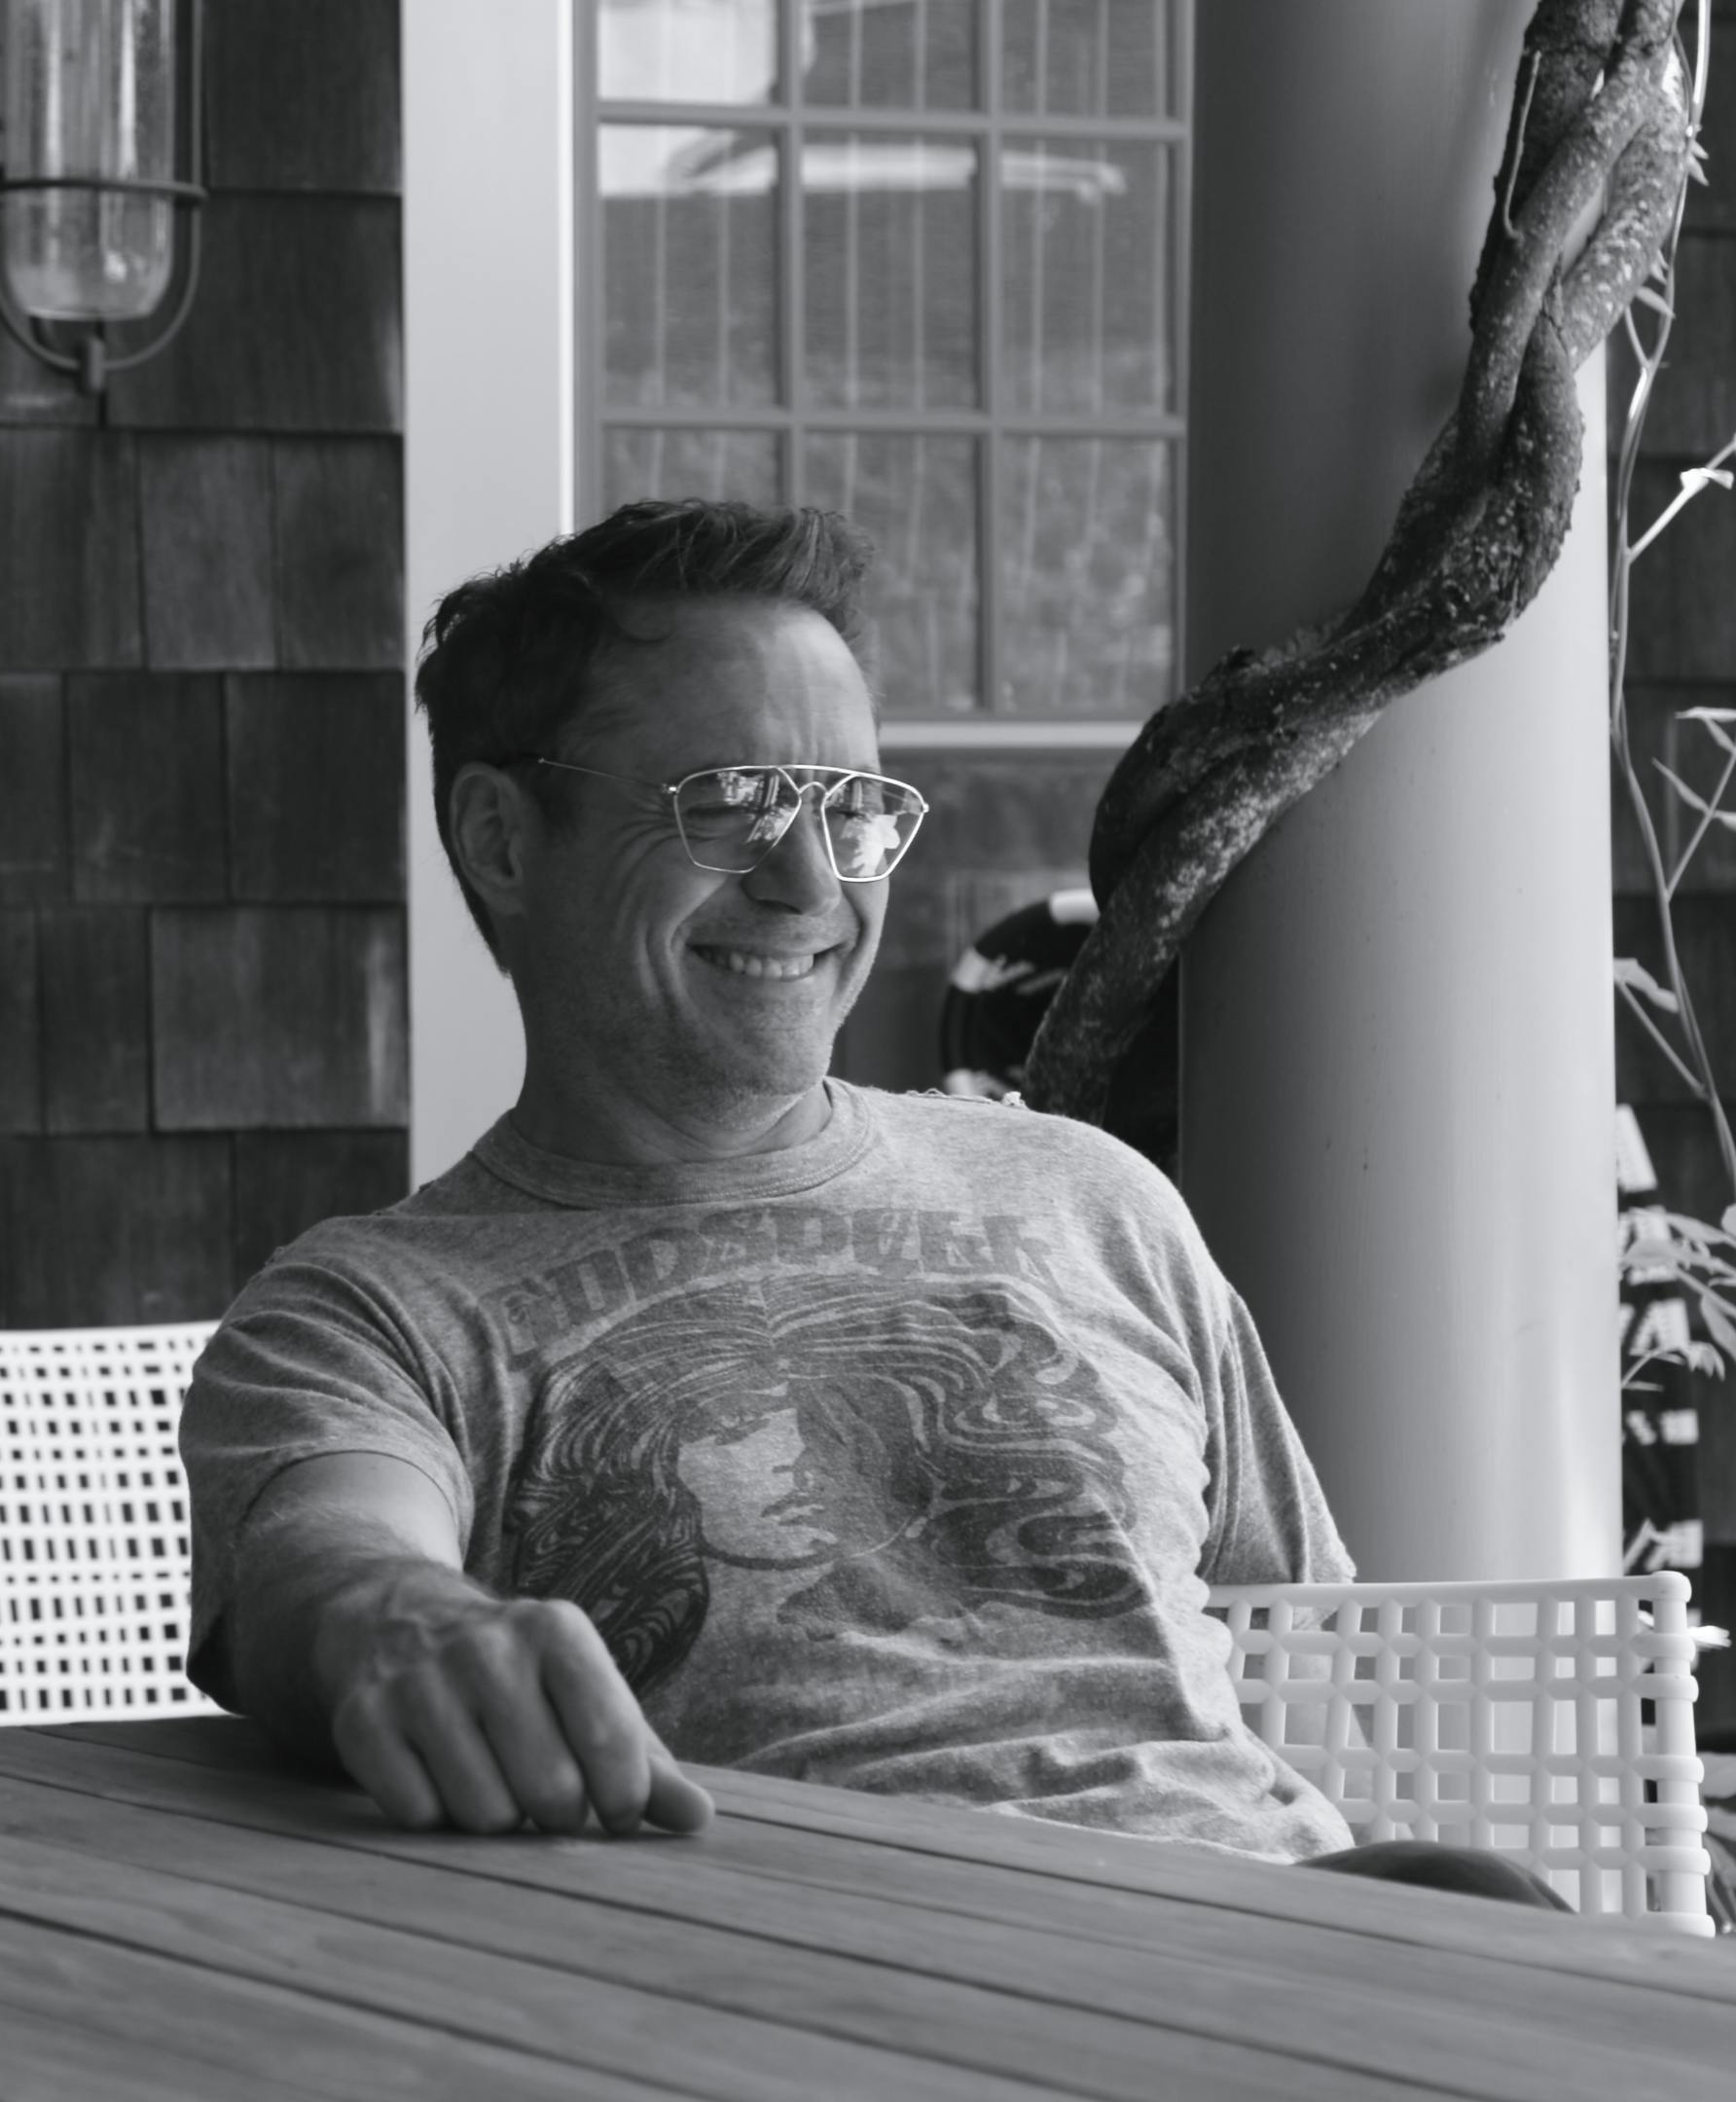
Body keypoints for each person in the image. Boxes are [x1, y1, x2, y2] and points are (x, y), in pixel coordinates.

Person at [181, 499, 1556, 1904]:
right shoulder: (376, 1312)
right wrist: (402, 1619)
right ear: (504, 841)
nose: (811, 880)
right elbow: (338, 1561)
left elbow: (1304, 1678)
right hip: (845, 1998)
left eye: (853, 810)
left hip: (1263, 1959)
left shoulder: (1094, 1201)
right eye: (729, 804)